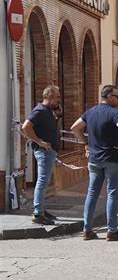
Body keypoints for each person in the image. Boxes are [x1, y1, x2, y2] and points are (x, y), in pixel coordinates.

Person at [71, 85, 118, 241]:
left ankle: (87, 229)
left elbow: (75, 128)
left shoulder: (90, 112)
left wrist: (86, 143)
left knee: (92, 193)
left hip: (94, 159)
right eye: (117, 96)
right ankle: (112, 230)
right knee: (112, 193)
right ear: (110, 96)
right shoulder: (115, 113)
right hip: (112, 158)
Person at [22, 85, 62, 225]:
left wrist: (57, 116)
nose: (59, 100)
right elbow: (26, 126)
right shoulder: (39, 110)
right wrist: (39, 142)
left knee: (44, 182)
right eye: (57, 97)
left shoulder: (48, 111)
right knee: (42, 182)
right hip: (44, 152)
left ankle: (42, 210)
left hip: (49, 152)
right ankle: (38, 214)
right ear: (49, 96)